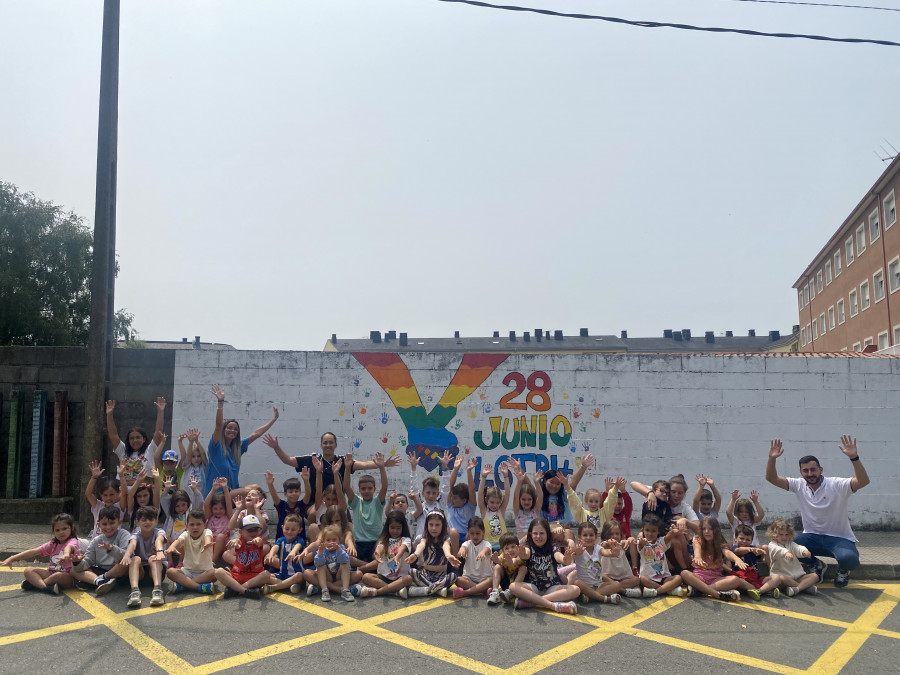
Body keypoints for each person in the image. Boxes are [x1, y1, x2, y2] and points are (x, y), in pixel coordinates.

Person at [765, 436, 870, 588]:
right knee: (786, 545)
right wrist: (772, 459)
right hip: (811, 537)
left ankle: (843, 570)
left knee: (850, 558)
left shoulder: (837, 484)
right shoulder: (799, 485)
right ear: (801, 472)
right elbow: (771, 478)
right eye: (805, 470)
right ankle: (817, 565)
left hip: (839, 538)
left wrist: (854, 458)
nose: (810, 473)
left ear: (821, 470)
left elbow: (863, 481)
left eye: (813, 469)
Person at [264, 431, 400, 494]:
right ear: (321, 445)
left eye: (331, 443)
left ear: (335, 445)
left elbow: (364, 465)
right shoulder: (313, 459)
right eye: (325, 443)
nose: (328, 445)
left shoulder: (342, 460)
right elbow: (288, 460)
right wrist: (276, 447)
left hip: (337, 501)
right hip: (315, 502)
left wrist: (383, 464)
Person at [206, 384, 279, 492]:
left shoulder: (238, 448)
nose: (232, 430)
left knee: (255, 490)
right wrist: (220, 403)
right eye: (229, 428)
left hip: (232, 492)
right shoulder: (216, 446)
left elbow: (256, 434)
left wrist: (274, 419)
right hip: (217, 494)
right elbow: (218, 426)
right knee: (254, 490)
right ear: (224, 430)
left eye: (235, 429)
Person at [508, 518, 579, 613]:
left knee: (576, 590)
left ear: (547, 534)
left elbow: (558, 556)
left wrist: (565, 559)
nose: (538, 537)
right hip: (534, 588)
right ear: (530, 534)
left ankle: (533, 602)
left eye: (542, 533)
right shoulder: (528, 545)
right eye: (535, 533)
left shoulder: (552, 545)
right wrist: (522, 554)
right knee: (512, 587)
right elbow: (526, 554)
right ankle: (552, 605)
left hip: (552, 588)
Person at [678, 516, 755, 601]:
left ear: (716, 530)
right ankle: (717, 594)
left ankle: (700, 591)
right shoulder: (697, 538)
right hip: (699, 577)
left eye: (710, 529)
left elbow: (727, 552)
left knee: (735, 579)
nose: (707, 532)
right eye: (704, 529)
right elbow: (697, 549)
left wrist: (737, 559)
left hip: (716, 579)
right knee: (684, 573)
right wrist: (698, 557)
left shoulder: (720, 542)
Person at [1, 513, 80, 595]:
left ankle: (35, 584)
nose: (61, 532)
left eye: (64, 529)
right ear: (53, 532)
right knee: (28, 570)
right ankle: (45, 588)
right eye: (57, 530)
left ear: (72, 528)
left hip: (68, 577)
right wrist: (12, 558)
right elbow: (34, 551)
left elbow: (69, 547)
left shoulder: (73, 541)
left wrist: (66, 554)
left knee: (57, 576)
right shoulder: (53, 543)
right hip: (51, 573)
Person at [70, 505, 131, 594]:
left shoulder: (124, 534)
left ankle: (101, 580)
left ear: (119, 522)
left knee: (129, 561)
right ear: (98, 525)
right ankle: (99, 582)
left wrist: (112, 549)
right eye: (104, 524)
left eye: (112, 523)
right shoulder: (97, 540)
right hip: (101, 570)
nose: (108, 527)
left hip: (118, 570)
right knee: (73, 570)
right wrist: (77, 562)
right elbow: (87, 561)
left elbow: (126, 555)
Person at [105, 397, 165, 485]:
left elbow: (158, 432)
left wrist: (160, 411)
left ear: (144, 439)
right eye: (132, 438)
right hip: (125, 494)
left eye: (138, 437)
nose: (135, 440)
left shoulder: (150, 451)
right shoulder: (123, 451)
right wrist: (109, 415)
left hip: (143, 494)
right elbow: (113, 435)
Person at [343, 451, 388, 563]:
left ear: (374, 489)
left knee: (381, 558)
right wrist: (347, 468)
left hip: (376, 542)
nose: (366, 491)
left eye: (369, 488)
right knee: (347, 557)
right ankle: (366, 566)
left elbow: (385, 487)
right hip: (359, 543)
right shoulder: (357, 502)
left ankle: (363, 568)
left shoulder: (378, 502)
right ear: (359, 490)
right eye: (363, 489)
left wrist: (382, 467)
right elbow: (347, 487)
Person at [405, 511, 460, 597]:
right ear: (427, 525)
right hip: (426, 575)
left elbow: (446, 547)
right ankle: (437, 590)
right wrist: (415, 554)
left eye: (437, 525)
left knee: (453, 576)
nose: (434, 528)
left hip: (441, 576)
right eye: (431, 525)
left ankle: (426, 589)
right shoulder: (424, 538)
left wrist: (449, 555)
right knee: (411, 571)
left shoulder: (446, 539)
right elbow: (421, 545)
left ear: (443, 526)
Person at [121, 506, 168, 608]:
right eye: (144, 520)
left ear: (156, 521)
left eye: (151, 519)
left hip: (156, 570)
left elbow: (158, 541)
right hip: (141, 573)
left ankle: (157, 590)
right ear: (137, 522)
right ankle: (134, 592)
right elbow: (132, 544)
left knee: (153, 558)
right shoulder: (135, 535)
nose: (147, 522)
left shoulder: (159, 532)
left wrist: (160, 551)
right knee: (135, 559)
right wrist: (127, 555)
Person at [359, 511, 413, 598]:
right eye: (392, 528)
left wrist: (397, 557)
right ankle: (395, 591)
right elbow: (380, 546)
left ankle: (377, 592)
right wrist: (377, 553)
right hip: (384, 576)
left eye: (398, 528)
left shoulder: (406, 540)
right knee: (366, 576)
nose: (395, 531)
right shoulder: (384, 540)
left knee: (409, 579)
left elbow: (402, 548)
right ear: (387, 527)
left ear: (403, 528)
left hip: (400, 578)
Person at [164, 509, 218, 595]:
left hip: (205, 572)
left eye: (198, 524)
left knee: (214, 573)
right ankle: (200, 587)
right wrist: (172, 546)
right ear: (187, 526)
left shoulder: (207, 532)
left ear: (204, 525)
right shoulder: (185, 534)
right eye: (192, 524)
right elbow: (179, 540)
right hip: (187, 571)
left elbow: (208, 538)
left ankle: (184, 585)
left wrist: (207, 543)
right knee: (170, 572)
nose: (195, 527)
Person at [214, 514, 267, 599]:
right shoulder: (239, 541)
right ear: (241, 532)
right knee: (218, 572)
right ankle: (245, 591)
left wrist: (257, 540)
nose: (253, 533)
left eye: (256, 530)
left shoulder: (258, 539)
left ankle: (235, 589)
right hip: (237, 575)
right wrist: (235, 542)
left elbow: (259, 541)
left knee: (266, 574)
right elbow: (237, 542)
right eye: (250, 530)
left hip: (254, 577)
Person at [632, 514, 685, 597]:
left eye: (653, 531)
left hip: (663, 577)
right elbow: (640, 546)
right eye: (647, 530)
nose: (650, 533)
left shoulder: (661, 542)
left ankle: (656, 591)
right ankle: (667, 590)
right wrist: (641, 543)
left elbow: (668, 537)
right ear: (643, 530)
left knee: (678, 578)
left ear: (658, 531)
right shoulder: (642, 543)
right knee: (642, 579)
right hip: (648, 578)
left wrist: (673, 532)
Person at [570, 521, 624, 604]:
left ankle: (591, 596)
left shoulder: (598, 548)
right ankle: (604, 599)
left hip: (598, 585)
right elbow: (572, 556)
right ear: (580, 537)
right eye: (585, 535)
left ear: (596, 536)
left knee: (617, 584)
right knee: (577, 583)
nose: (588, 538)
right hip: (584, 586)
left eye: (591, 535)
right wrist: (576, 552)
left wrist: (614, 553)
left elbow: (607, 552)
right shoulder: (579, 549)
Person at [765, 519, 820, 596]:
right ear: (774, 534)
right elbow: (777, 550)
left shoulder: (791, 544)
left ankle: (797, 589)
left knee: (815, 576)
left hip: (797, 576)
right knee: (782, 578)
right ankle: (804, 588)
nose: (784, 537)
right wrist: (786, 552)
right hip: (783, 576)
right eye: (781, 534)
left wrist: (804, 551)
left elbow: (798, 548)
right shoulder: (772, 545)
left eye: (787, 534)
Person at [310, 524, 357, 602]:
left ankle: (345, 590)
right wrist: (320, 553)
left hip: (339, 576)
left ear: (339, 540)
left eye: (334, 540)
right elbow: (317, 563)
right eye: (328, 540)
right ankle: (325, 590)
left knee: (356, 573)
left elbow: (345, 561)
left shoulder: (341, 548)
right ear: (323, 541)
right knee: (314, 570)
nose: (331, 542)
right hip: (327, 576)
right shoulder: (322, 550)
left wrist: (339, 550)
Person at [262, 513, 307, 594]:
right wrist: (271, 554)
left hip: (295, 574)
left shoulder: (300, 540)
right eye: (287, 529)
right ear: (282, 528)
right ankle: (287, 585)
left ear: (299, 530)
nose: (289, 532)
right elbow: (275, 547)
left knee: (300, 575)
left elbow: (298, 546)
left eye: (293, 530)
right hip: (283, 573)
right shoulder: (281, 540)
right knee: (267, 576)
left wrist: (293, 552)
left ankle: (275, 587)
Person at [452, 516, 493, 599]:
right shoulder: (467, 543)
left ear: (483, 532)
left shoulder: (486, 544)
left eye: (478, 533)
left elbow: (487, 549)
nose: (475, 536)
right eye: (472, 533)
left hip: (484, 578)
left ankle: (466, 592)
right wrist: (462, 550)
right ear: (468, 533)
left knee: (492, 579)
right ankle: (483, 590)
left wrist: (483, 552)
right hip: (469, 578)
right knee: (457, 579)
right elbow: (463, 547)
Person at [265, 469, 312, 541]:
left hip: (299, 542)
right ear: (285, 494)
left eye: (296, 491)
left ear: (300, 492)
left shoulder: (301, 505)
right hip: (282, 541)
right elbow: (274, 495)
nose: (294, 493)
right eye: (290, 492)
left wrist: (306, 481)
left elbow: (308, 493)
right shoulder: (281, 505)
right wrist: (270, 484)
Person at [85, 460, 126, 538]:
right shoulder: (98, 506)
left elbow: (124, 493)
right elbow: (88, 494)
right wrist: (94, 477)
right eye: (105, 495)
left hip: (113, 544)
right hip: (96, 543)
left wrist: (121, 475)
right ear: (101, 495)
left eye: (112, 495)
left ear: (118, 494)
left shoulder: (119, 507)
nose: (108, 498)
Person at [446, 456, 477, 554]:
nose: (452, 499)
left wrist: (469, 471)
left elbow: (471, 490)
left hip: (467, 538)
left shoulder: (470, 507)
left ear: (464, 500)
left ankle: (467, 561)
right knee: (453, 532)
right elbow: (449, 486)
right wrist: (456, 468)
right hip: (453, 538)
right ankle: (455, 562)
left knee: (471, 533)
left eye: (455, 498)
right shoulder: (451, 506)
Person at [478, 462, 511, 551]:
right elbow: (480, 493)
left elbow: (507, 494)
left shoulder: (501, 511)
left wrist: (505, 476)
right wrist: (484, 476)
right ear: (486, 500)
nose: (495, 505)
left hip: (502, 545)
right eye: (492, 502)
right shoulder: (484, 511)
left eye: (497, 502)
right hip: (488, 546)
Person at [509, 458, 542, 539]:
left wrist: (536, 483)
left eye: (529, 499)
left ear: (533, 500)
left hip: (534, 542)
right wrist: (519, 481)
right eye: (523, 499)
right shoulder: (517, 511)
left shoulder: (536, 510)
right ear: (520, 500)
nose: (526, 502)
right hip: (521, 544)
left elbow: (540, 496)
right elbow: (516, 496)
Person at [486, 532, 522, 605]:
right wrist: (496, 559)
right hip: (506, 583)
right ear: (502, 551)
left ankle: (511, 592)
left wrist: (513, 561)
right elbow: (500, 559)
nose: (510, 550)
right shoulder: (504, 555)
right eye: (507, 548)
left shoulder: (520, 555)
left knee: (523, 568)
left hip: (519, 584)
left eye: (513, 547)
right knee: (497, 567)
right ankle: (495, 592)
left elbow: (519, 560)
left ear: (518, 547)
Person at [178, 428, 208, 493]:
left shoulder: (203, 467)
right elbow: (188, 455)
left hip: (201, 496)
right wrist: (190, 442)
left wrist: (197, 440)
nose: (196, 459)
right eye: (193, 456)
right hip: (188, 497)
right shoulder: (188, 467)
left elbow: (203, 454)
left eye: (198, 456)